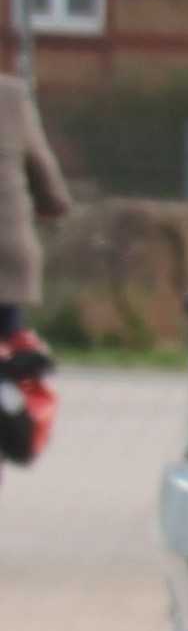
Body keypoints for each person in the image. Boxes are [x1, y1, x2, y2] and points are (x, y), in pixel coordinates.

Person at [0, 76, 68, 471]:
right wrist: (55, 206)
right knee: (12, 351)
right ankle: (15, 423)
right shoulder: (10, 94)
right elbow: (43, 169)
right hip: (9, 257)